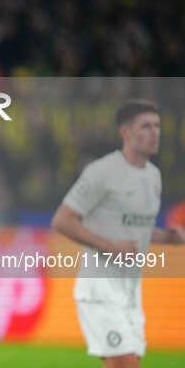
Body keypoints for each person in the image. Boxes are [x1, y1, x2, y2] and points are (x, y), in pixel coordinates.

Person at [51, 100, 185, 368]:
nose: (154, 132)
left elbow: (137, 229)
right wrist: (111, 247)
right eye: (145, 126)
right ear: (125, 132)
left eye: (157, 126)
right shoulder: (103, 172)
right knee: (127, 363)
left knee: (118, 363)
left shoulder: (153, 177)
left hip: (130, 291)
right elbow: (62, 220)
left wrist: (169, 237)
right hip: (100, 289)